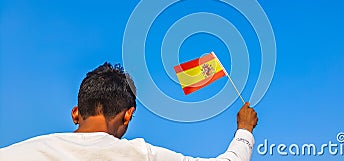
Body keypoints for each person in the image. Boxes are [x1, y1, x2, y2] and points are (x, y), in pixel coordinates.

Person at [0, 62, 258, 161]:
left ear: (76, 113)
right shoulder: (139, 155)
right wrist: (244, 129)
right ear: (128, 115)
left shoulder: (14, 153)